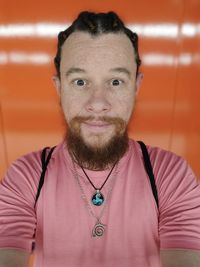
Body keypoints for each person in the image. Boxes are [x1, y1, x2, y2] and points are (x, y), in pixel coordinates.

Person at [0, 11, 200, 267]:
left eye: (115, 82)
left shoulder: (170, 176)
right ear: (59, 88)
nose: (97, 104)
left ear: (136, 87)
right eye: (80, 81)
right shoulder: (26, 177)